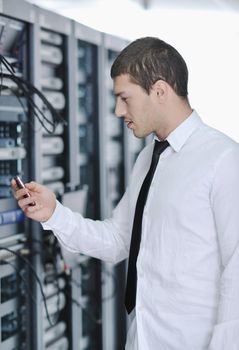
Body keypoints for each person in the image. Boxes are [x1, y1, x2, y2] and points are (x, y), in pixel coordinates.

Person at [12, 37, 239, 350]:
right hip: (143, 339)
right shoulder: (147, 159)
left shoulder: (224, 160)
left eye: (125, 98)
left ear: (160, 91)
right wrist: (54, 214)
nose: (118, 110)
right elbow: (118, 241)